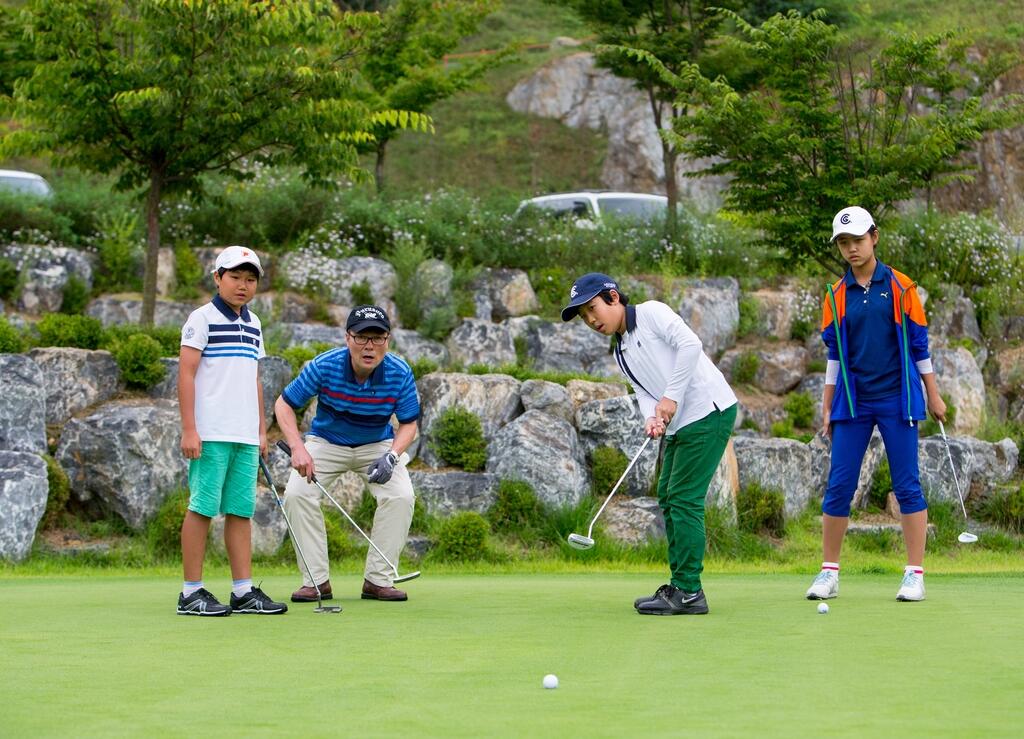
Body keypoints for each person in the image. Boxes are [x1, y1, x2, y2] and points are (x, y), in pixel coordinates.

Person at [561, 273, 738, 615]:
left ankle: (689, 591)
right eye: (584, 317)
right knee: (669, 496)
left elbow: (691, 346)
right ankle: (680, 585)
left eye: (592, 309)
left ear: (613, 297)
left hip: (708, 410)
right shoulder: (621, 351)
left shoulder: (653, 313)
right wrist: (650, 417)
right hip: (679, 422)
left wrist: (670, 397)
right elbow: (643, 390)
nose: (591, 320)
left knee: (684, 498)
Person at [806, 206, 946, 603]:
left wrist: (933, 394)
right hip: (853, 401)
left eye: (858, 240)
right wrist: (827, 404)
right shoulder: (835, 296)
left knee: (907, 485)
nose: (851, 249)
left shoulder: (902, 288)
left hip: (897, 399)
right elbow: (834, 356)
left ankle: (914, 574)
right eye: (844, 243)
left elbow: (920, 346)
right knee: (839, 485)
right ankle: (829, 573)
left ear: (874, 237)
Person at [275, 305, 420, 603]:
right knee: (296, 494)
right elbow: (284, 404)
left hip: (377, 445)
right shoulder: (324, 365)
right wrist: (298, 447)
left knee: (401, 496)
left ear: (388, 341)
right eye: (361, 337)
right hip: (326, 441)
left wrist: (392, 456)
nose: (369, 346)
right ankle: (316, 582)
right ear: (347, 338)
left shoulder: (399, 372)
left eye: (377, 338)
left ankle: (378, 581)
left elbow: (409, 424)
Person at [177, 246, 287, 616]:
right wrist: (190, 429)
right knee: (202, 508)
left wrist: (260, 431)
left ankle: (242, 591)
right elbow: (186, 374)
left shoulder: (254, 324)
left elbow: (254, 380)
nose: (243, 285)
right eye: (235, 277)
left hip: (243, 435)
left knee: (241, 511)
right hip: (210, 432)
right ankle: (191, 592)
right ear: (218, 278)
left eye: (250, 279)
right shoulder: (201, 318)